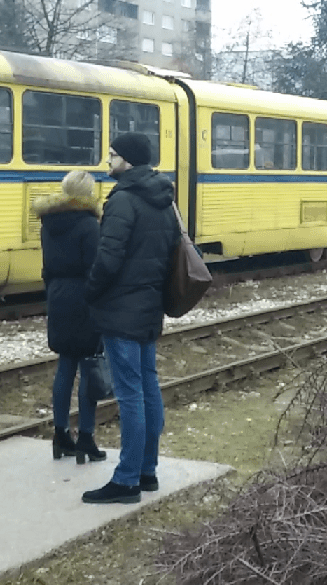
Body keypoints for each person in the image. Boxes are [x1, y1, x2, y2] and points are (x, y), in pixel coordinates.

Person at [82, 132, 180, 505]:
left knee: (130, 395)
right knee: (148, 388)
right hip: (149, 306)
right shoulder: (164, 199)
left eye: (112, 155)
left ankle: (126, 481)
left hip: (121, 309)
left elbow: (108, 259)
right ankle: (147, 470)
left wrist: (90, 293)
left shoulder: (123, 200)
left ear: (127, 160)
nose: (108, 161)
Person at [34, 170, 107, 465]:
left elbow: (46, 266)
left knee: (65, 365)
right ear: (88, 193)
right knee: (89, 367)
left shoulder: (48, 223)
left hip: (58, 295)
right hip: (84, 300)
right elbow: (94, 269)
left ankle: (61, 435)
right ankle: (86, 438)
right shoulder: (89, 224)